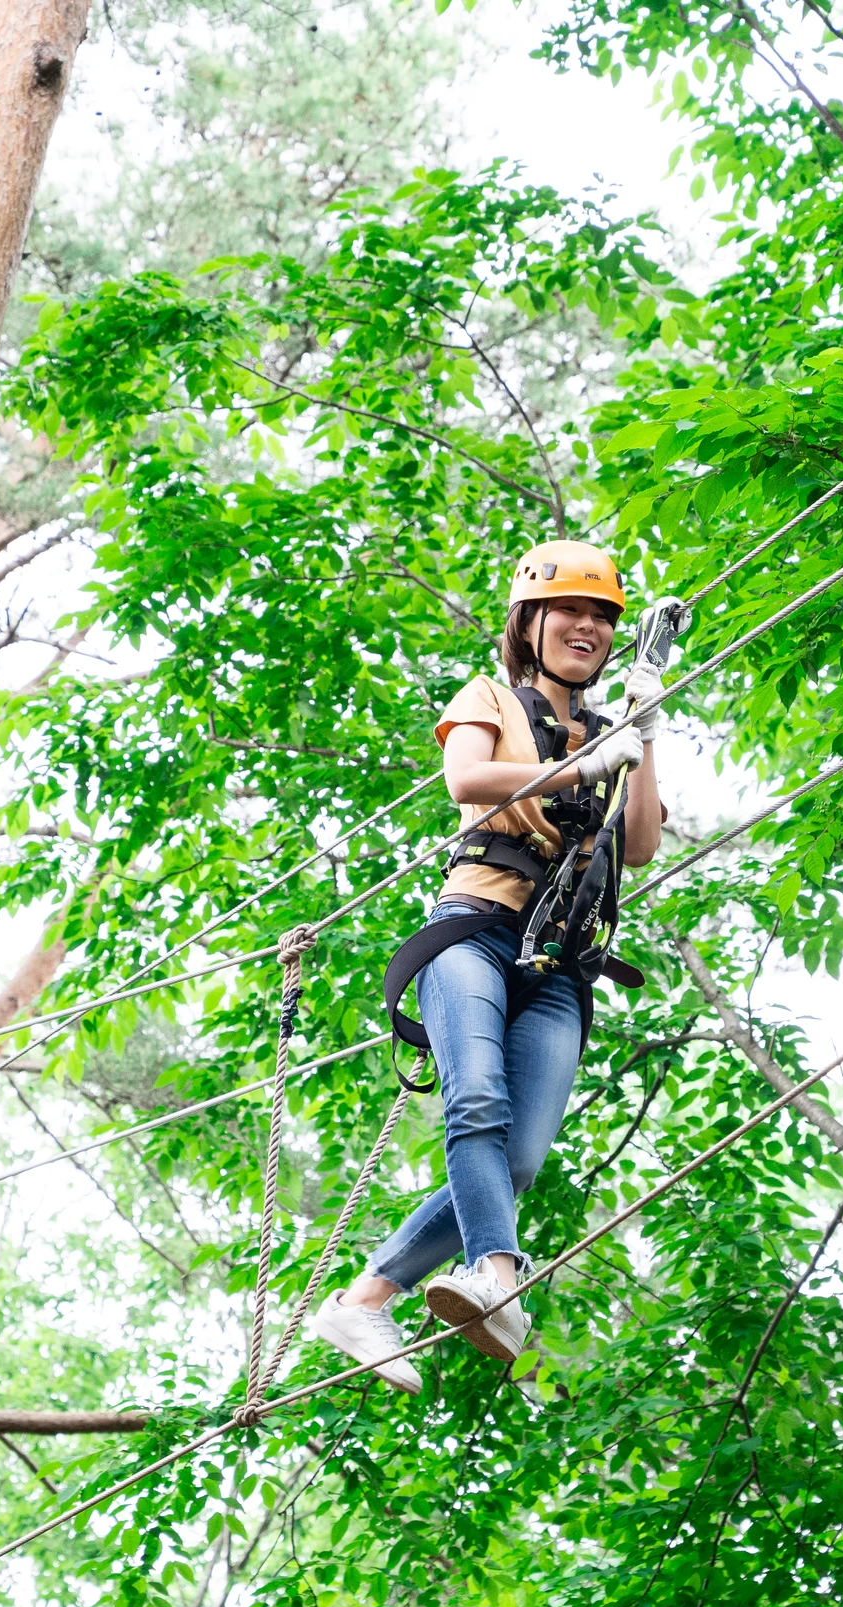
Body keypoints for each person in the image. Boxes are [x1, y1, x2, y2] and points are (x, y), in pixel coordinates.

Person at [310, 540, 667, 1391]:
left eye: (602, 616)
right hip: (474, 931)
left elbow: (643, 844)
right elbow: (465, 780)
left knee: (515, 1162)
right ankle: (498, 1278)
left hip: (564, 964)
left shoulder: (610, 731)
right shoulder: (490, 697)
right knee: (475, 1097)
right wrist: (580, 764)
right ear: (530, 624)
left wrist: (644, 737)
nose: (587, 626)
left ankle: (363, 1301)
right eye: (570, 612)